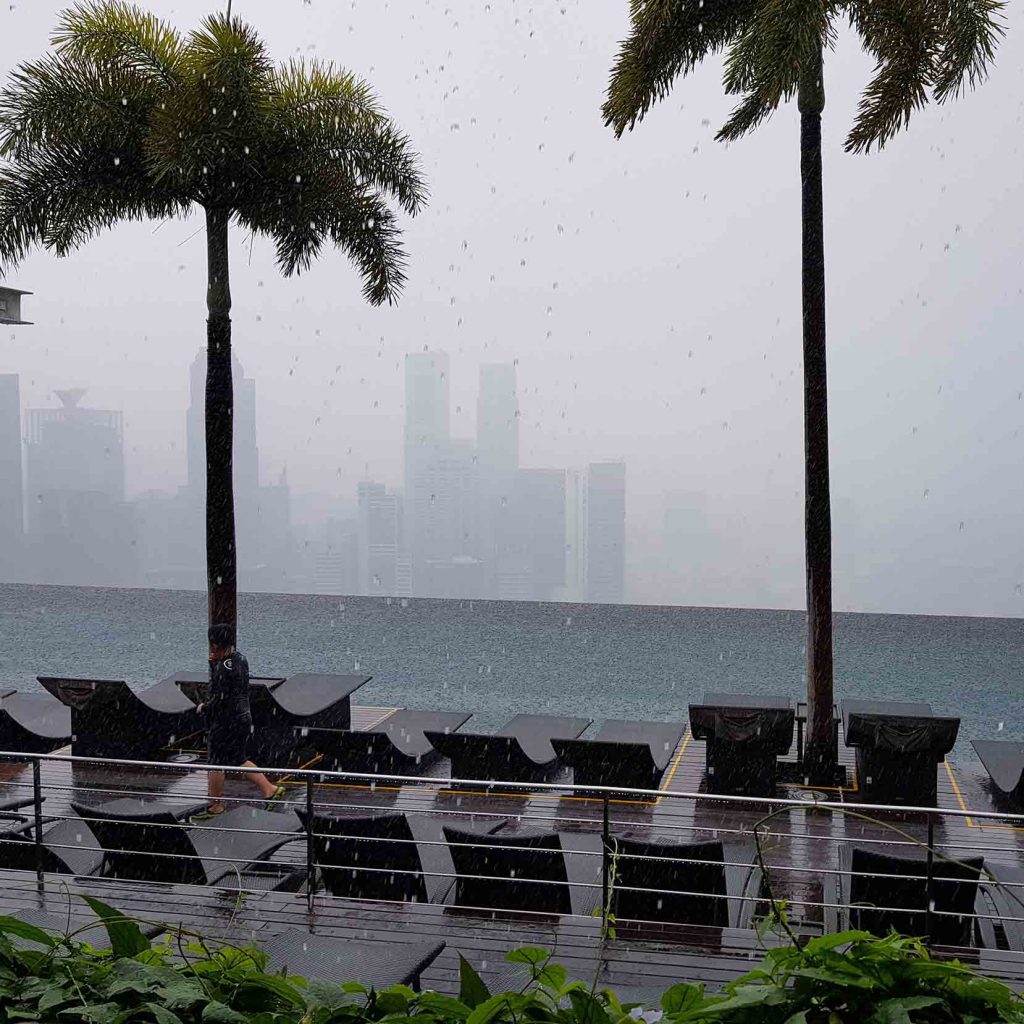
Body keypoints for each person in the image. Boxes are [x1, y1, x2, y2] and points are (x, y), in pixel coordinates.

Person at [200, 623, 284, 814]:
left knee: (215, 762)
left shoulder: (224, 666)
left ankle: (215, 806)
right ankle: (269, 789)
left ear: (214, 644)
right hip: (243, 717)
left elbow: (219, 695)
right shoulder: (240, 659)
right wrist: (215, 664)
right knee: (238, 758)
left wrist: (204, 707)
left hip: (225, 721)